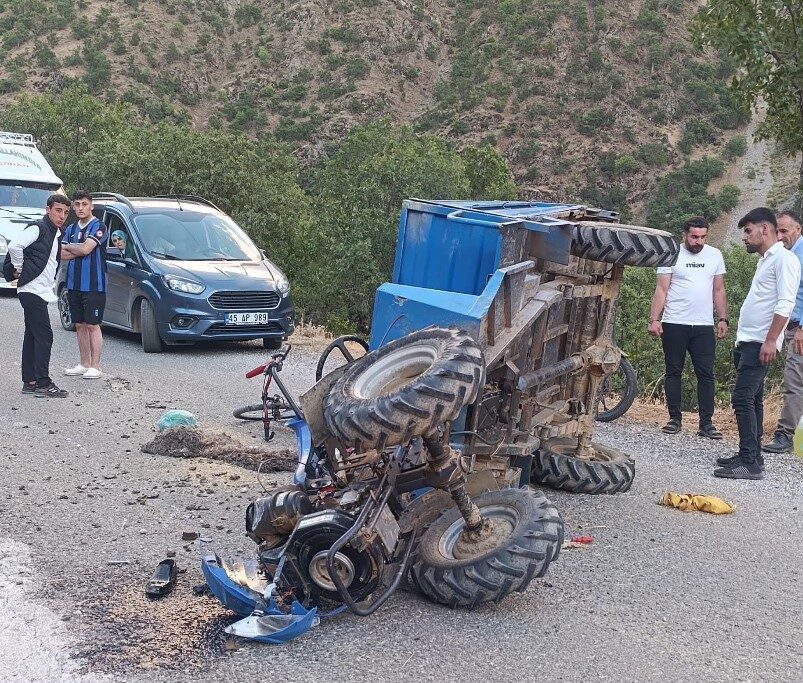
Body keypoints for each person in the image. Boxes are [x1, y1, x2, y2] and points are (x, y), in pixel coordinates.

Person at [714, 207, 800, 480]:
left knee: (741, 398)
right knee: (753, 399)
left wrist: (771, 340)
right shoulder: (766, 259)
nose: (744, 237)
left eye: (748, 231)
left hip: (761, 341)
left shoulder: (784, 259)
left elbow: (786, 302)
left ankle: (749, 462)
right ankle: (751, 455)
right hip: (750, 340)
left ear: (765, 229)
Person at [648, 216, 728, 438]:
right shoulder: (671, 253)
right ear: (685, 235)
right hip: (674, 322)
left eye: (702, 237)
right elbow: (661, 289)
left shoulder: (715, 255)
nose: (698, 241)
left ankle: (706, 423)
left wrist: (723, 318)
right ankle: (674, 419)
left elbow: (719, 290)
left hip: (703, 325)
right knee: (674, 371)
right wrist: (654, 319)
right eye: (694, 236)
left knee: (706, 373)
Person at [6, 194, 72, 397]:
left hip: (40, 291)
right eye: (58, 210)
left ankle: (30, 382)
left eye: (65, 212)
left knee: (33, 336)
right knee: (45, 336)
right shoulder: (39, 228)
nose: (62, 216)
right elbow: (14, 246)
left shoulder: (55, 233)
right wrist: (18, 268)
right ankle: (43, 383)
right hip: (31, 290)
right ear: (48, 210)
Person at [762, 210, 803, 453]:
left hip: (799, 329)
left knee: (794, 382)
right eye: (777, 231)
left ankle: (784, 436)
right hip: (790, 328)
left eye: (785, 231)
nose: (780, 236)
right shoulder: (787, 255)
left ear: (798, 229)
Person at [61, 190, 108, 379]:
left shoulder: (99, 226)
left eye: (84, 204)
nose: (81, 208)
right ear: (73, 206)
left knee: (92, 325)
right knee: (79, 325)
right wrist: (79, 250)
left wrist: (76, 248)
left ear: (91, 206)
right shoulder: (71, 228)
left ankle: (95, 366)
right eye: (77, 204)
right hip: (73, 284)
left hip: (94, 285)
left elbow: (87, 248)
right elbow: (61, 253)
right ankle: (84, 363)